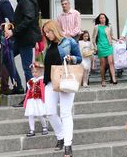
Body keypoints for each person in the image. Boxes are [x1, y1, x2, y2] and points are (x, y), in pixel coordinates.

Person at [42, 20, 82, 157]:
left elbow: (80, 58)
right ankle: (61, 136)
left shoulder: (69, 42)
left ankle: (67, 145)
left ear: (55, 29)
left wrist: (72, 58)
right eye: (45, 33)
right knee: (49, 112)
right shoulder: (49, 45)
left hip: (66, 80)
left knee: (65, 113)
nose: (47, 35)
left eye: (49, 31)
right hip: (49, 82)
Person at [6, 0, 42, 85]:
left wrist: (13, 31)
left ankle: (30, 94)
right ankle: (19, 85)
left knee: (27, 68)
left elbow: (29, 18)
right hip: (21, 38)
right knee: (7, 56)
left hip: (26, 38)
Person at [0, 0, 22, 95]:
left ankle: (18, 85)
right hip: (6, 38)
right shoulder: (5, 2)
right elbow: (11, 20)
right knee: (9, 62)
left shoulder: (3, 1)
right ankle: (18, 86)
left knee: (8, 62)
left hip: (5, 37)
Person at [92, 13, 117, 86]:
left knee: (111, 62)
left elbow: (111, 36)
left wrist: (117, 40)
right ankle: (103, 79)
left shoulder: (109, 26)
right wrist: (95, 47)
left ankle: (114, 79)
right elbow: (93, 38)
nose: (102, 19)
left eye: (103, 18)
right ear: (99, 19)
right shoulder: (97, 27)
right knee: (103, 64)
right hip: (101, 47)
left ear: (105, 19)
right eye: (101, 18)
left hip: (109, 46)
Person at [24, 62, 48, 137]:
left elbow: (44, 91)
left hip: (38, 100)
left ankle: (44, 127)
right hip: (31, 100)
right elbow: (29, 90)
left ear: (41, 72)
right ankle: (32, 130)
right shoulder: (31, 81)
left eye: (36, 72)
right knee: (30, 114)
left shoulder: (42, 80)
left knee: (40, 114)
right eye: (33, 72)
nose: (34, 73)